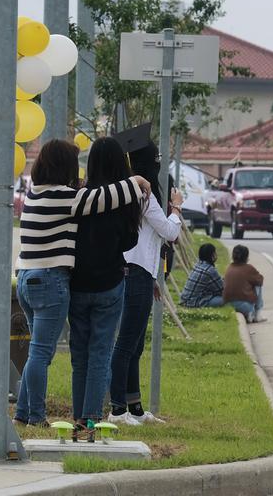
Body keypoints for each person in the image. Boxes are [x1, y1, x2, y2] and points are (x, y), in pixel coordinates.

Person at [14, 140, 148, 427]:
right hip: (52, 281)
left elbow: (96, 197)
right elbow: (103, 198)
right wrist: (135, 180)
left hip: (26, 277)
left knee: (40, 352)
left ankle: (23, 412)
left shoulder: (34, 194)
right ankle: (45, 417)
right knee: (47, 353)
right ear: (65, 167)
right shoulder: (66, 197)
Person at [68, 138, 141, 441]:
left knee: (79, 355)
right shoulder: (126, 199)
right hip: (110, 283)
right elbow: (129, 242)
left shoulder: (80, 197)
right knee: (100, 352)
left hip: (78, 284)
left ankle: (77, 421)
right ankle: (90, 422)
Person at [109, 139, 183, 426]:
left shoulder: (129, 192)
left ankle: (134, 407)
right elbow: (168, 232)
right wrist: (176, 209)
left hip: (141, 273)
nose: (160, 162)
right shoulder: (144, 194)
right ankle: (117, 411)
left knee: (135, 345)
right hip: (136, 273)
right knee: (126, 344)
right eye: (158, 157)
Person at [223, 245, 266, 323]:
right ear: (246, 257)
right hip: (245, 306)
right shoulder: (249, 268)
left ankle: (249, 315)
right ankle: (257, 315)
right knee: (258, 284)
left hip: (227, 304)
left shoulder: (229, 267)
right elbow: (260, 280)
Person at [180, 243, 224, 308]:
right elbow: (222, 290)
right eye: (215, 253)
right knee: (229, 300)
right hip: (194, 303)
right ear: (212, 255)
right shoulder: (210, 270)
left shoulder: (198, 264)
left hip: (185, 300)